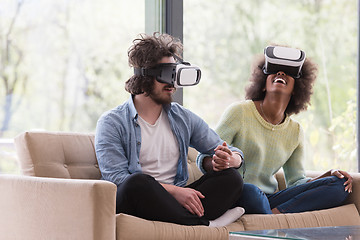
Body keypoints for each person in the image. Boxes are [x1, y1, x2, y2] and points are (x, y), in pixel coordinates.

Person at [95, 33, 245, 226]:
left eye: (176, 74)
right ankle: (206, 224)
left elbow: (228, 150)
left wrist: (231, 159)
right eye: (167, 75)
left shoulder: (182, 117)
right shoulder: (111, 122)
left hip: (175, 202)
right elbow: (117, 179)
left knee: (231, 178)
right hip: (138, 200)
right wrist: (175, 192)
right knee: (137, 182)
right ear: (144, 76)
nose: (173, 84)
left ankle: (185, 220)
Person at [197, 45, 353, 214]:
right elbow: (203, 157)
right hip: (239, 194)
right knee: (252, 192)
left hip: (271, 199)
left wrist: (328, 175)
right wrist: (216, 162)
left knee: (339, 185)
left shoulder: (295, 131)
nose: (280, 73)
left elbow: (296, 182)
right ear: (263, 84)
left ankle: (275, 215)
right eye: (274, 70)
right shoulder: (239, 112)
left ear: (296, 89)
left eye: (287, 72)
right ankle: (274, 219)